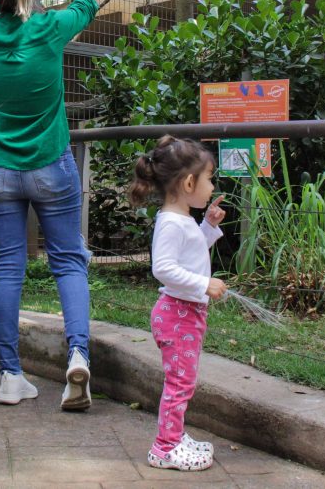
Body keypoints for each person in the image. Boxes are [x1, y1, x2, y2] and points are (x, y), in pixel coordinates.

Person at [0, 0, 99, 410]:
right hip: (50, 166)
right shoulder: (49, 29)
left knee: (7, 267)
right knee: (67, 261)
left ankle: (10, 376)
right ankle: (78, 356)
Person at [128, 135, 228, 471]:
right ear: (188, 182)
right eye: (209, 178)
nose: (212, 186)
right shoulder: (171, 222)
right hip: (178, 315)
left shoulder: (183, 218)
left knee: (183, 381)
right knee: (180, 384)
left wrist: (209, 226)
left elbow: (192, 251)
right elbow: (164, 269)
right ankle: (164, 447)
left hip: (186, 313)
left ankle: (175, 436)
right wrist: (204, 283)